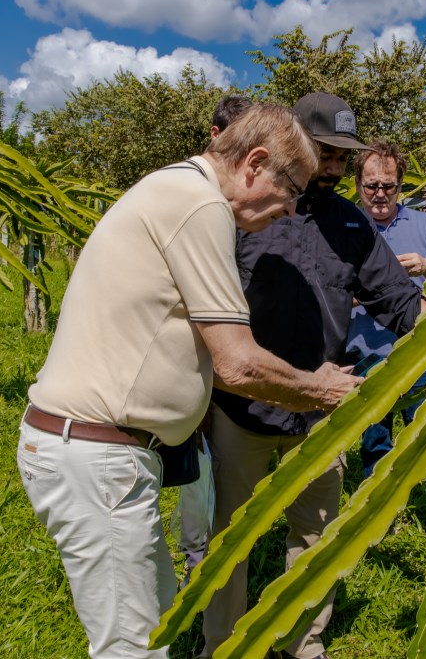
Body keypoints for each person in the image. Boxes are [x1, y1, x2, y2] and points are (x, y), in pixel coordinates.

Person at [16, 103, 361, 659]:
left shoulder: (178, 191)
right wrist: (322, 389)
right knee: (134, 648)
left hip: (108, 457)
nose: (295, 208)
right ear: (254, 163)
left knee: (153, 631)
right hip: (98, 457)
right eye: (293, 188)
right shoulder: (199, 204)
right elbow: (238, 363)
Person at [203, 94, 426, 659]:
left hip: (322, 411)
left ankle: (304, 643)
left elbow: (398, 302)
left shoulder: (351, 221)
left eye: (340, 157)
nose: (331, 168)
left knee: (315, 536)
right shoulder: (243, 213)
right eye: (323, 152)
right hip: (242, 407)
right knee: (230, 540)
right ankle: (221, 646)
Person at [345, 141, 426, 490]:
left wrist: (425, 266)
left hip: (421, 352)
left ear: (401, 184)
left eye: (388, 186)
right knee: (374, 443)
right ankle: (379, 513)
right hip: (365, 355)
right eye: (371, 185)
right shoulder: (344, 228)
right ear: (359, 183)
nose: (379, 194)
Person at [176, 93, 253, 586]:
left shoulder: (243, 212)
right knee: (195, 472)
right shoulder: (196, 201)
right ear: (215, 136)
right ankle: (194, 562)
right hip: (198, 364)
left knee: (215, 476)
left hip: (234, 364)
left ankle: (209, 562)